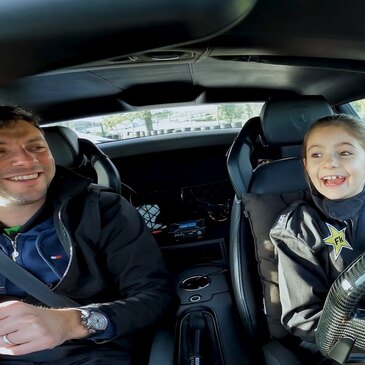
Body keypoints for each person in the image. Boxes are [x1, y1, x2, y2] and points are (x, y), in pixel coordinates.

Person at [0, 105, 175, 364]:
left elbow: (155, 297)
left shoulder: (101, 210)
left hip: (90, 353)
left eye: (37, 147)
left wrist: (71, 323)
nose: (27, 161)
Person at [270, 114, 365, 346]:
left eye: (344, 152)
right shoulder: (298, 227)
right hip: (342, 346)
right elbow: (302, 317)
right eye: (316, 154)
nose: (329, 163)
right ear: (306, 165)